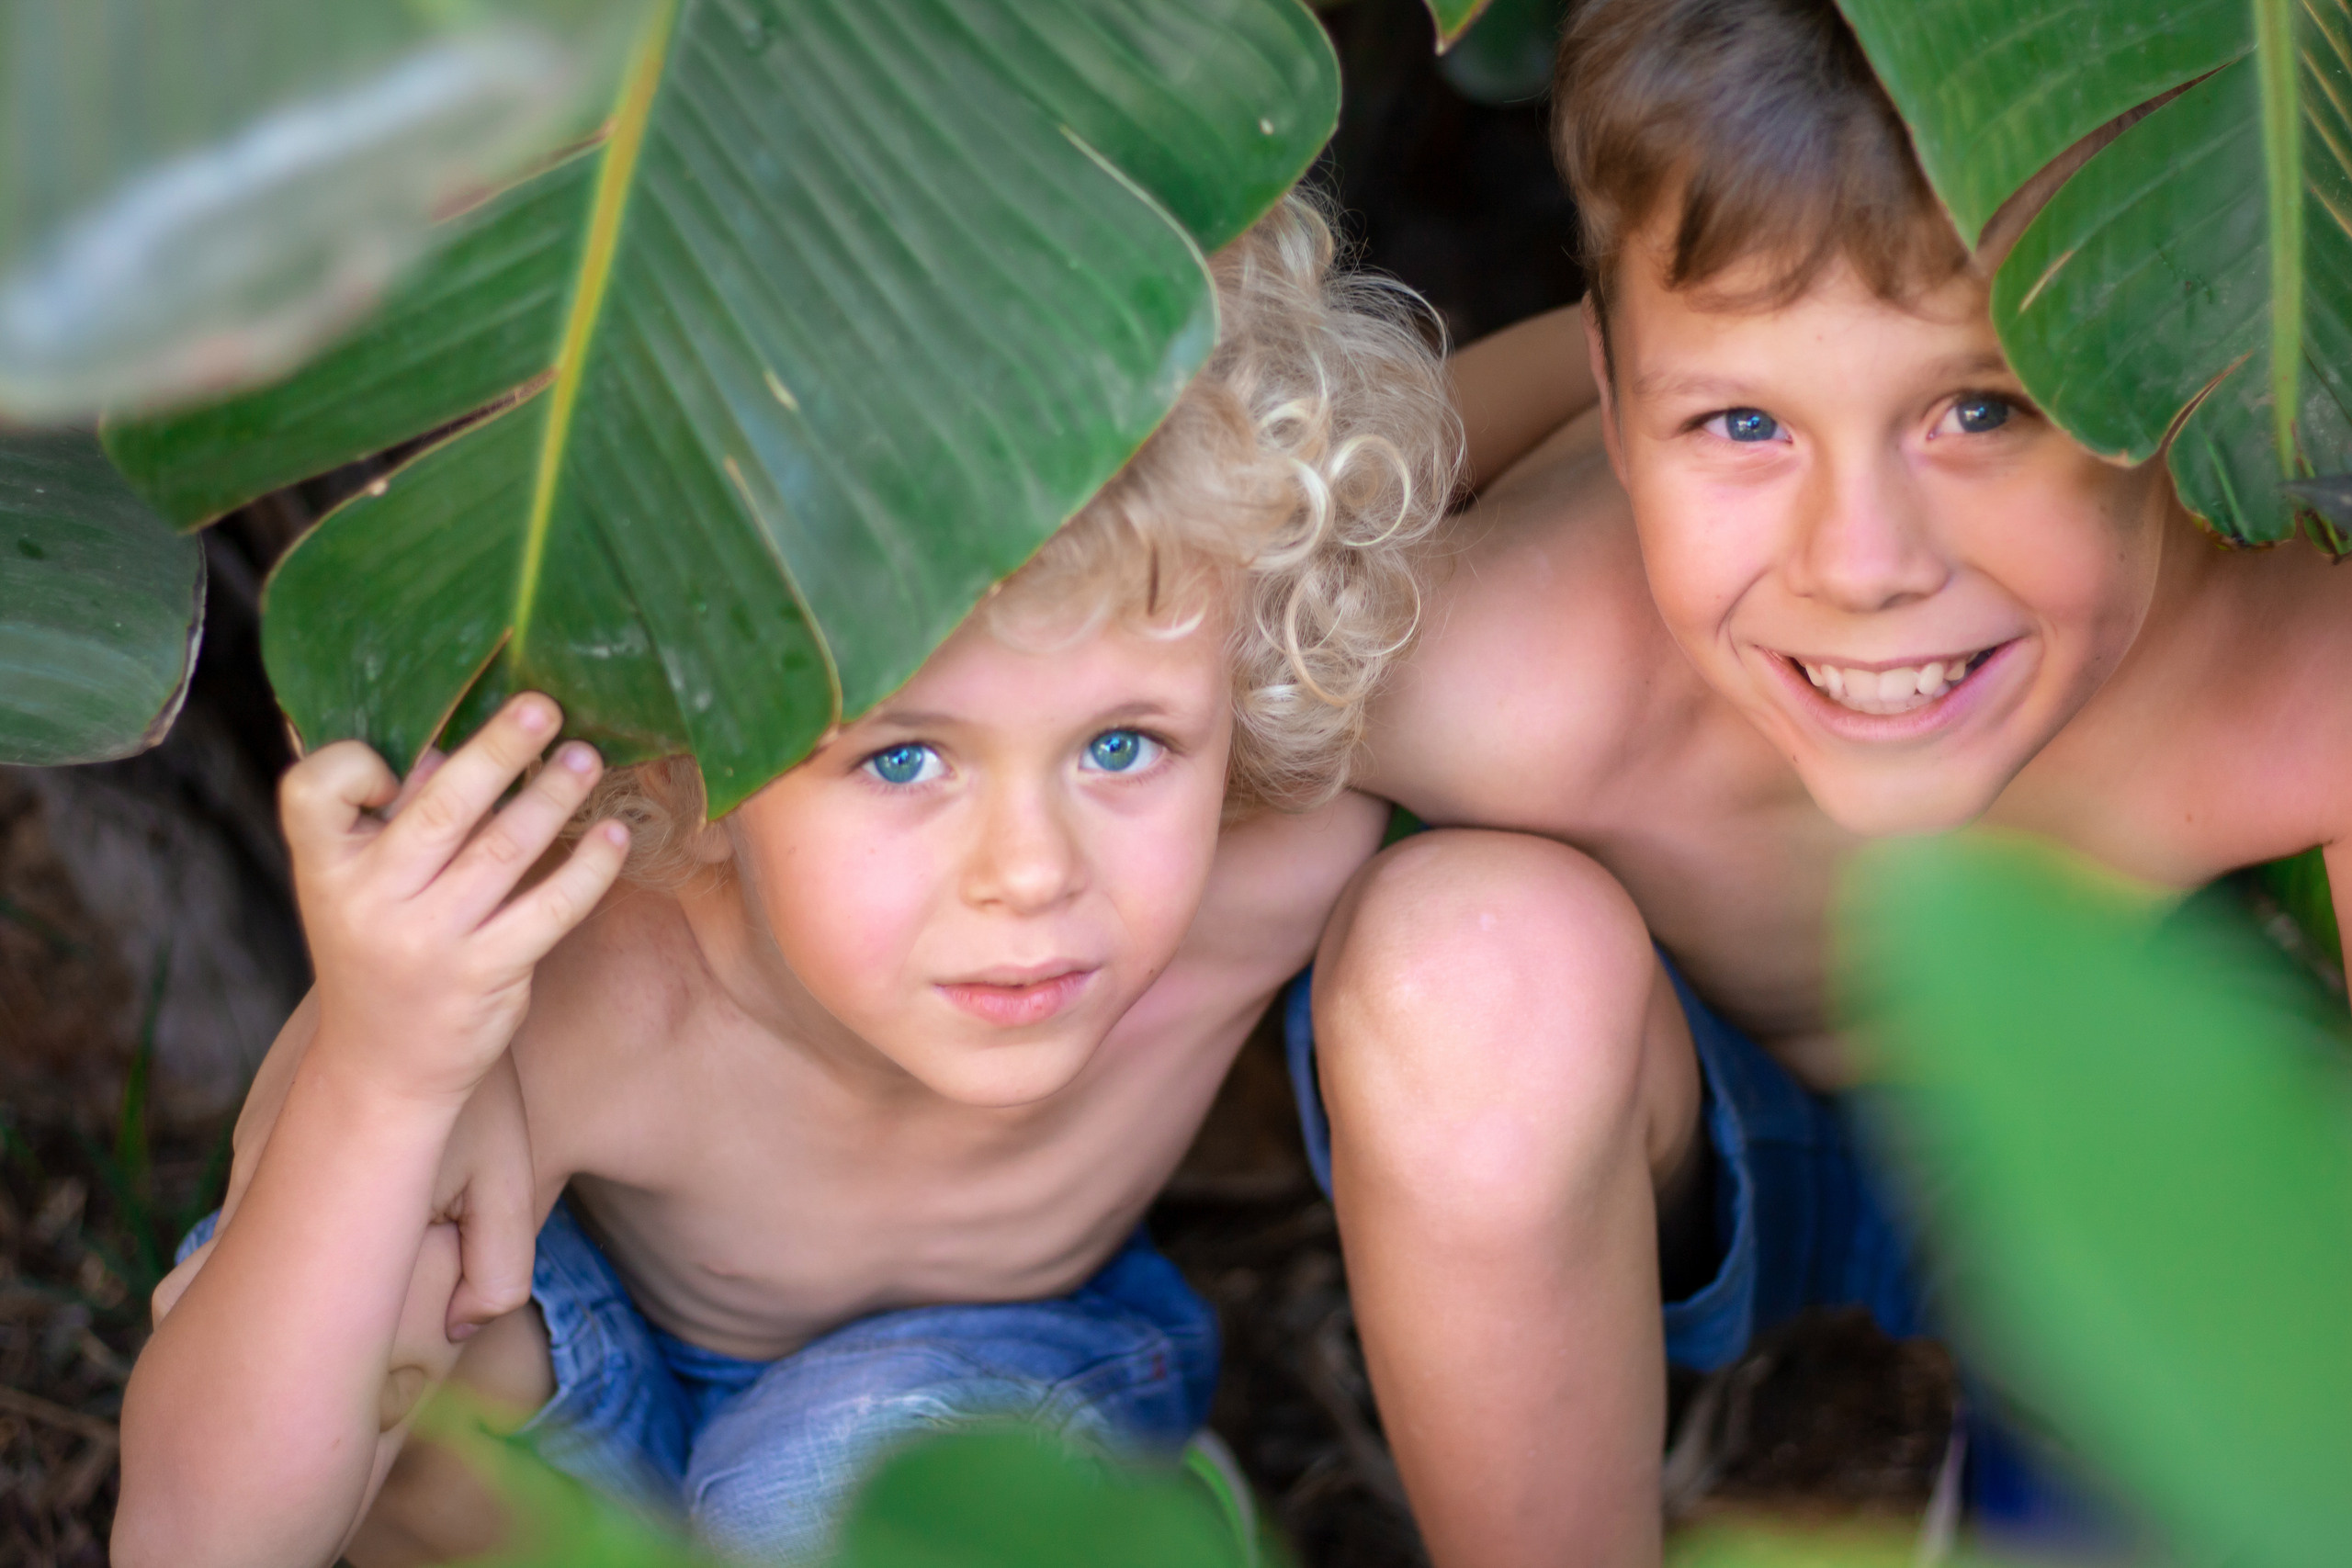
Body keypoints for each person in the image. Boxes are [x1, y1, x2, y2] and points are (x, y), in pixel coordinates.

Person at [113, 192, 1460, 1568]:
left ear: (1244, 677)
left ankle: (1128, 1522)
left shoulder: (1273, 853)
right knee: (380, 1280)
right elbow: (190, 1540)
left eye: (1123, 745)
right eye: (901, 761)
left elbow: (1527, 484)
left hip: (982, 1415)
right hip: (603, 1418)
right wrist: (385, 1068)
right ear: (696, 737)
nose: (1031, 873)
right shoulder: (578, 970)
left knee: (823, 1491)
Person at [1300, 1, 2352, 1562]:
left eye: (1980, 410)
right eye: (1741, 423)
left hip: (2131, 1120)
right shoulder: (1505, 675)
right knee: (1461, 963)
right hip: (1700, 1140)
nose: (1862, 568)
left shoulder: (2297, 659)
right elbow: (1180, 659)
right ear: (1616, 398)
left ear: (2161, 353)